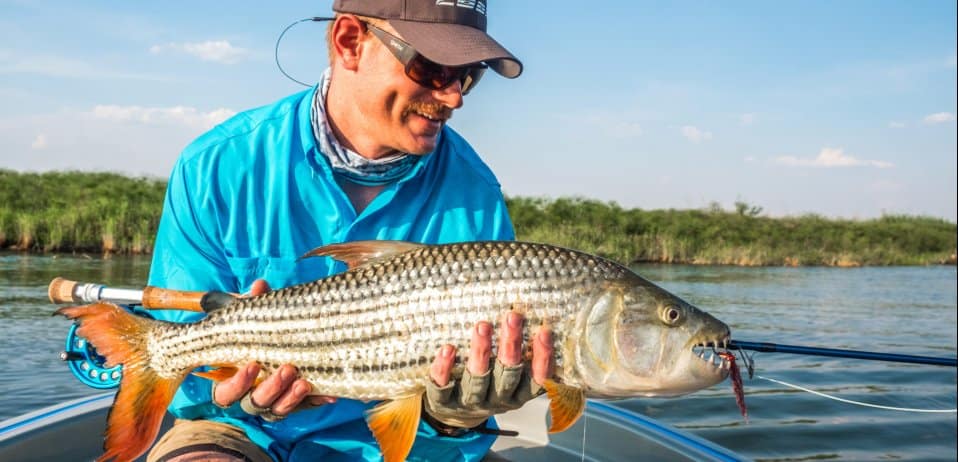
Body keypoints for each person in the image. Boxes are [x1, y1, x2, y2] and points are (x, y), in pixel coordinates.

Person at [145, 1, 554, 461]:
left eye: (467, 75)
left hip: (416, 446)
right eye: (432, 68)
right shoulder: (216, 165)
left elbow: (464, 413)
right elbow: (188, 372)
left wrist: (454, 416)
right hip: (243, 433)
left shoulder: (476, 193)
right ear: (349, 42)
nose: (454, 97)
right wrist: (224, 389)